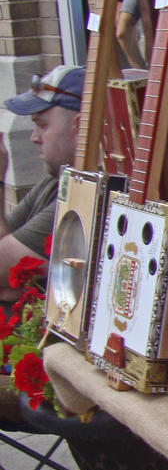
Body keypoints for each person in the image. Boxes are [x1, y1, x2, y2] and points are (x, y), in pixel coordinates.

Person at [0, 65, 82, 305]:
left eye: (42, 124)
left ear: (79, 125)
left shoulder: (81, 193)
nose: (34, 137)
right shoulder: (54, 181)